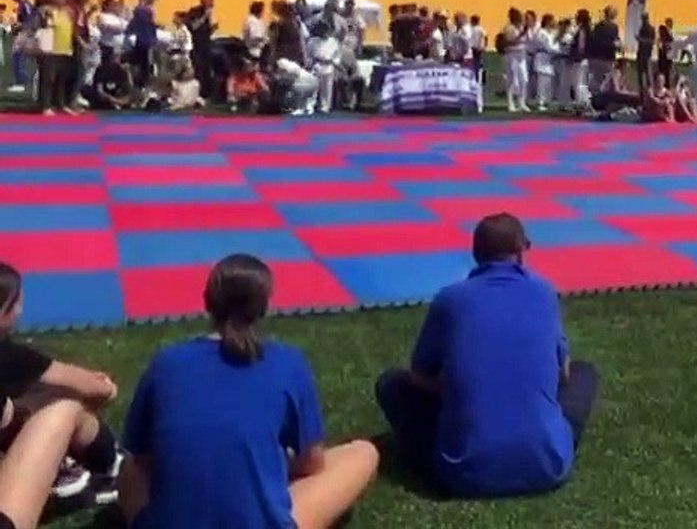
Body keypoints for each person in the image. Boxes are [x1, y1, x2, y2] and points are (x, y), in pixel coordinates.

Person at [117, 255, 379, 529]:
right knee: (362, 452)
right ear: (263, 306)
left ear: (207, 301)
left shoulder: (166, 363)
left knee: (128, 471)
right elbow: (312, 464)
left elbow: (144, 460)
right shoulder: (288, 363)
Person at [374, 214, 600, 498]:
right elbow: (563, 373)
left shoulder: (450, 299)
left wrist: (458, 388)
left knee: (391, 384)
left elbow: (419, 376)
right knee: (584, 374)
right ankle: (538, 433)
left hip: (464, 474)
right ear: (522, 251)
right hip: (548, 466)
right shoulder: (543, 292)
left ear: (476, 254)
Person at [0, 262, 124, 510]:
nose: (21, 310)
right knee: (67, 406)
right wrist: (106, 390)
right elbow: (90, 386)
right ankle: (108, 467)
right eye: (16, 305)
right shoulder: (9, 356)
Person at [39, 0, 79, 116]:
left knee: (62, 80)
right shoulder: (48, 11)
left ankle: (61, 104)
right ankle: (46, 106)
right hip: (51, 50)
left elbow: (71, 30)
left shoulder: (67, 13)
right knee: (48, 79)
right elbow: (45, 26)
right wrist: (47, 16)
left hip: (65, 50)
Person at [586, 5, 622, 95]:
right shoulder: (613, 27)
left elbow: (594, 39)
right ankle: (597, 101)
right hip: (607, 58)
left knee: (595, 80)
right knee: (603, 82)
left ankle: (592, 98)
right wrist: (618, 47)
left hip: (595, 57)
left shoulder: (598, 25)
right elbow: (615, 42)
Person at [86, 46, 135, 110]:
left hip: (119, 99)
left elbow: (129, 89)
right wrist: (111, 99)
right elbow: (100, 91)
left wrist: (128, 73)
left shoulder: (122, 71)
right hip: (106, 100)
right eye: (115, 56)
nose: (117, 57)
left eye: (118, 55)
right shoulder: (100, 71)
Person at [635, 13, 656, 98]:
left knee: (647, 77)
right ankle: (642, 95)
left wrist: (641, 40)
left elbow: (651, 41)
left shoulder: (650, 29)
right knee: (640, 76)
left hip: (646, 55)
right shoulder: (642, 28)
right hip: (641, 54)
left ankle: (649, 95)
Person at [656, 18, 676, 92]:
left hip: (668, 56)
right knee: (663, 72)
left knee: (668, 74)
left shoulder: (671, 33)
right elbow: (659, 43)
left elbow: (673, 44)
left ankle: (668, 89)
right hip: (663, 55)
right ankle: (663, 88)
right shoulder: (663, 33)